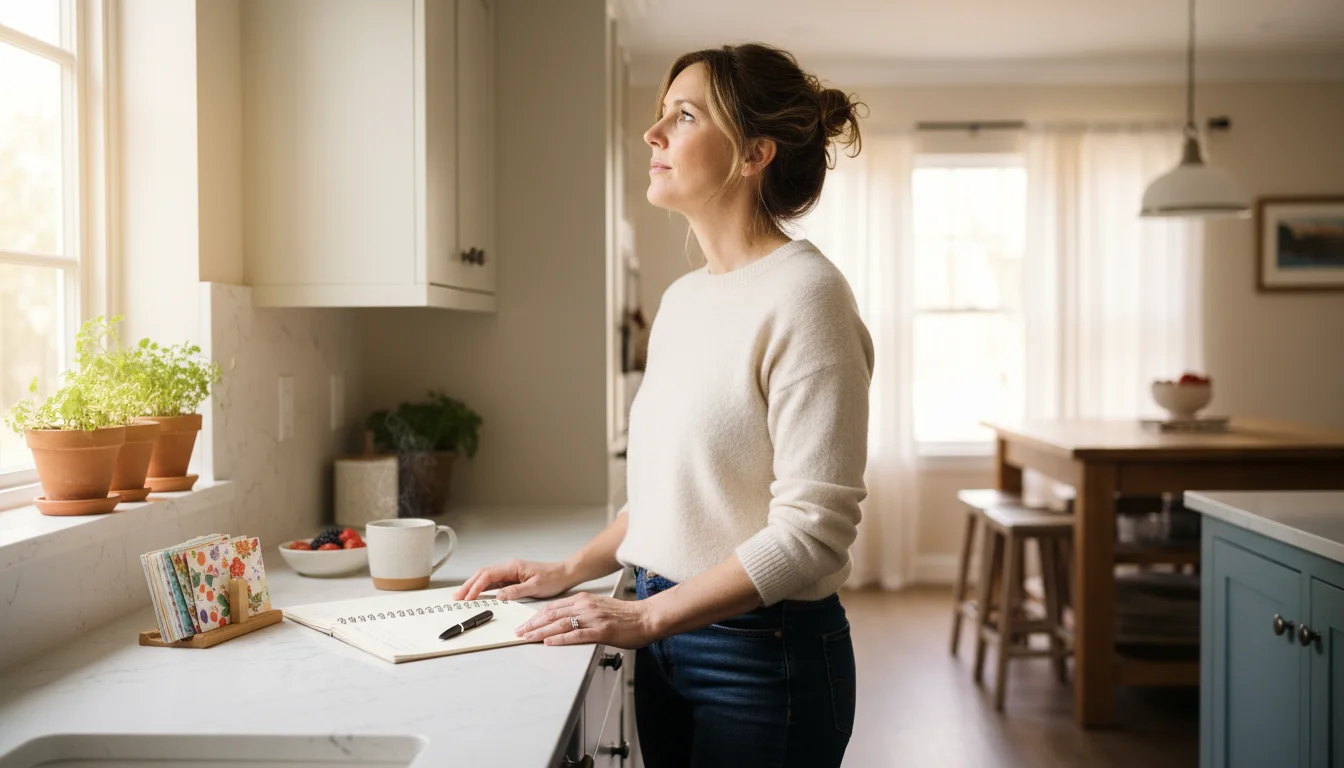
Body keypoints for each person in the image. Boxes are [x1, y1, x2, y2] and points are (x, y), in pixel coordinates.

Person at [454, 42, 873, 768]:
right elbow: (666, 497)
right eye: (661, 115)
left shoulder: (810, 298)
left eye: (683, 115)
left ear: (753, 154)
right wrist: (569, 570)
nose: (653, 134)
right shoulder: (683, 300)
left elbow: (813, 532)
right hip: (664, 640)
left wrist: (646, 614)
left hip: (763, 659)